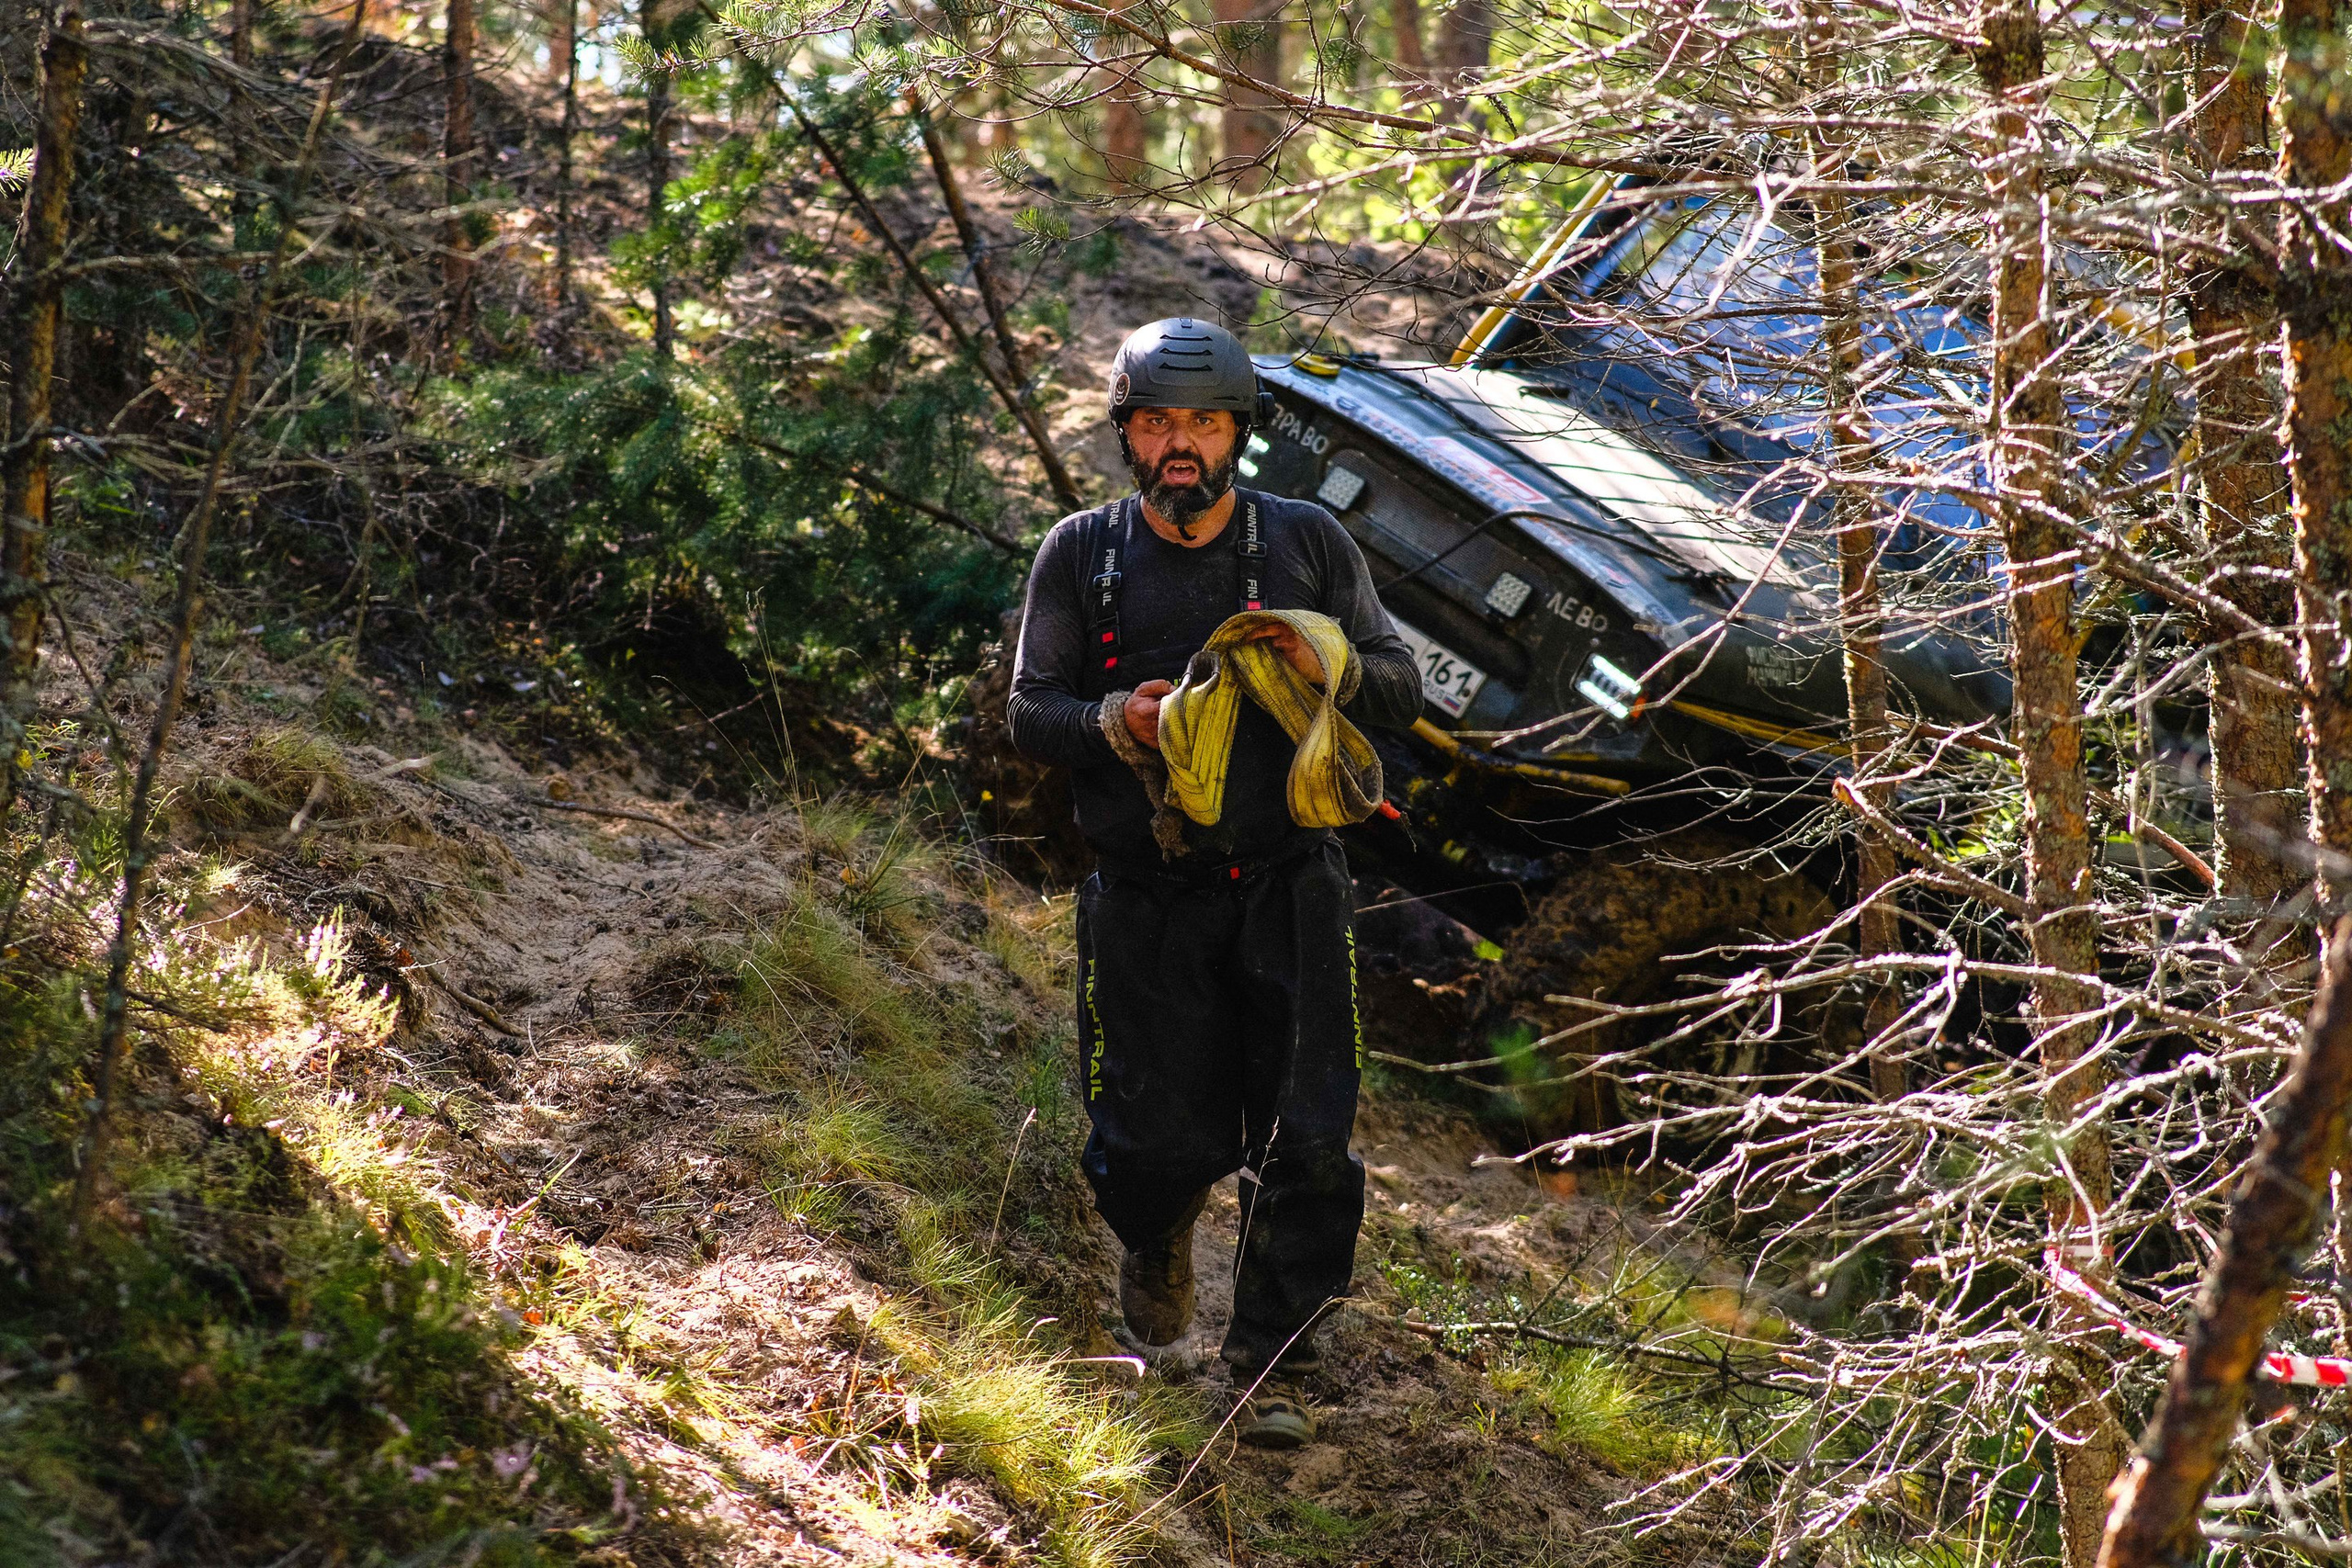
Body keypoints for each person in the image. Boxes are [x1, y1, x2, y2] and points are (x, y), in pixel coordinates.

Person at [1006, 318, 1422, 1448]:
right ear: (1127, 435)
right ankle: (1155, 1243)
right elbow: (1028, 710)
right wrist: (1112, 718)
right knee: (1151, 1145)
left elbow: (1399, 684)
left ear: (1239, 432)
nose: (1178, 443)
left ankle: (1270, 1368)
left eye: (1201, 421)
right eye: (1156, 422)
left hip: (1290, 887)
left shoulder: (1308, 542)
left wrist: (1320, 658)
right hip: (1146, 892)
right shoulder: (1079, 553)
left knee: (1309, 1141)